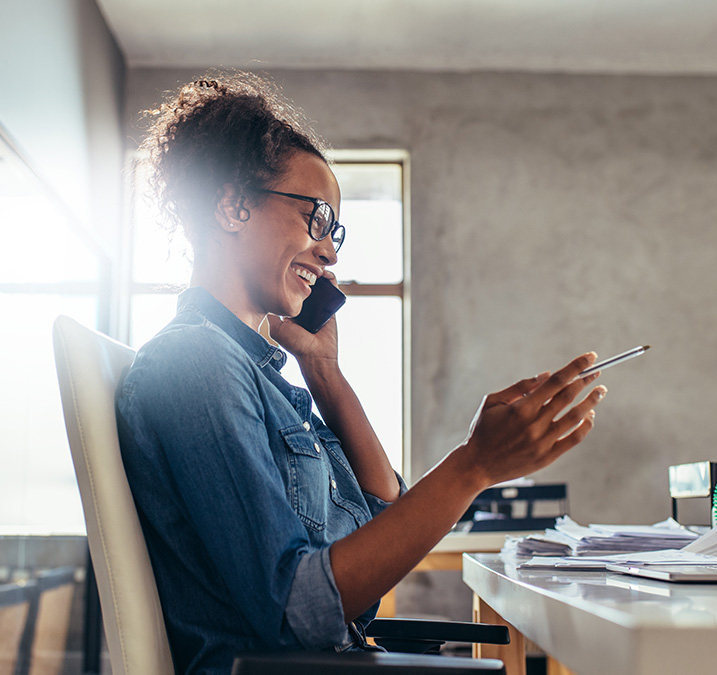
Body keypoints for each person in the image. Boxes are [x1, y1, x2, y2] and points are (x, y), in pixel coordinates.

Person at [116, 71, 607, 675]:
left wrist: (326, 374)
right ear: (232, 204)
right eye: (316, 219)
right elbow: (298, 611)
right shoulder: (195, 363)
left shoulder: (263, 377)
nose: (330, 252)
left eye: (334, 231)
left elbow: (378, 539)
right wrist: (472, 466)